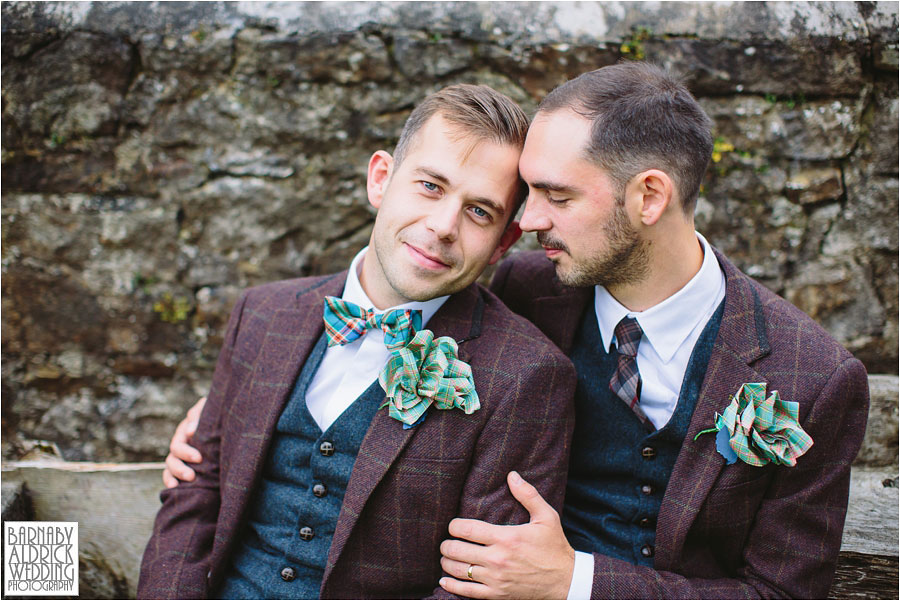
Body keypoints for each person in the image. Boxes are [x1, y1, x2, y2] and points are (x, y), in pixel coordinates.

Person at [164, 63, 870, 599]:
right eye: (526, 194)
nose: (523, 222)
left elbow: (781, 595)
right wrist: (234, 413)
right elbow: (395, 291)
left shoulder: (811, 377)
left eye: (555, 196)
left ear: (649, 195)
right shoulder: (529, 290)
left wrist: (577, 580)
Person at [138, 84, 575, 599]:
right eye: (431, 187)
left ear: (504, 242)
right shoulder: (262, 315)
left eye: (479, 211)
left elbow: (477, 588)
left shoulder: (527, 376)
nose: (442, 226)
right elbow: (194, 500)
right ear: (381, 179)